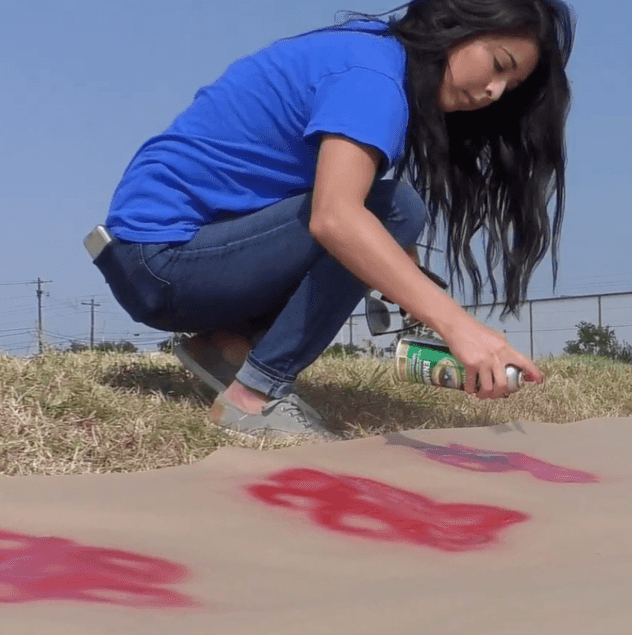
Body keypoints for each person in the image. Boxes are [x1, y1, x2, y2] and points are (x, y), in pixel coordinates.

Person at [90, 0, 575, 441]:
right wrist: (458, 326)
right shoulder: (373, 79)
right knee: (395, 209)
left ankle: (226, 349)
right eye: (498, 66)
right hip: (164, 258)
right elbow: (336, 218)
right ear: (455, 24)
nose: (493, 91)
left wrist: (403, 277)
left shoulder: (372, 55)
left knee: (384, 219)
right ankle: (254, 398)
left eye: (508, 87)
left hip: (156, 256)